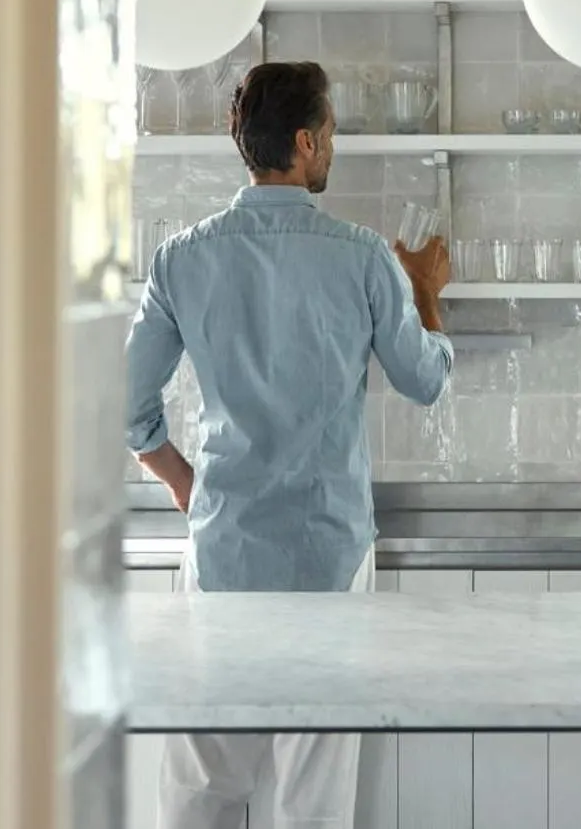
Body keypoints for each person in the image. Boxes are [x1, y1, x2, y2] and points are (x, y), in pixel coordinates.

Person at [125, 60, 452, 829]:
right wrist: (426, 293)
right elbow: (425, 380)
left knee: (202, 784)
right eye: (330, 132)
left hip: (224, 552)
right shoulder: (363, 256)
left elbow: (125, 406)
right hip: (328, 558)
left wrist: (182, 481)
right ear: (305, 142)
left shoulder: (183, 256)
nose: (332, 145)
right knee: (315, 796)